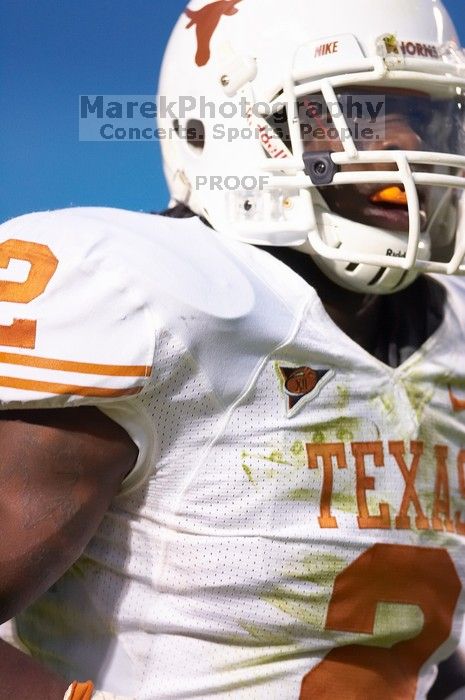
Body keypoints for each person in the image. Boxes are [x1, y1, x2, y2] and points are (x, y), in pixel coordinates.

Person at [1, 0, 465, 698]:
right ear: (224, 126)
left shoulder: (451, 330)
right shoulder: (144, 298)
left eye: (422, 113)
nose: (401, 140)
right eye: (356, 111)